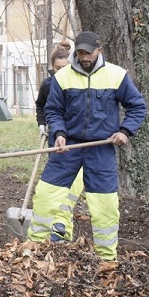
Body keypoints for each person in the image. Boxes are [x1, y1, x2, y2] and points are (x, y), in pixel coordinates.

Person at [28, 31, 146, 260]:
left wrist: (125, 131)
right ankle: (34, 250)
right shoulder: (63, 78)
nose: (83, 57)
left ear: (99, 50)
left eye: (88, 52)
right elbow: (52, 110)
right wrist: (59, 133)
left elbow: (137, 107)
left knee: (105, 205)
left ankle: (106, 258)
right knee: (45, 195)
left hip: (100, 149)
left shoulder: (116, 76)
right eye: (80, 52)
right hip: (67, 147)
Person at [34, 43, 84, 242]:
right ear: (52, 67)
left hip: (78, 137)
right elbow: (41, 106)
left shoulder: (78, 82)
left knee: (74, 183)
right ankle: (55, 225)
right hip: (57, 137)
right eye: (57, 68)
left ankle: (62, 224)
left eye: (65, 68)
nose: (61, 72)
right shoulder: (48, 84)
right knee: (56, 182)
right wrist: (41, 123)